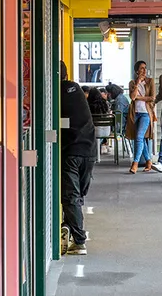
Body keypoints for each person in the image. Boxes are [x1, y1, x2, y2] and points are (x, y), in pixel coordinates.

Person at [59, 61, 96, 256]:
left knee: (70, 197)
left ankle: (79, 240)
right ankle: (69, 228)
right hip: (89, 150)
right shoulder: (78, 90)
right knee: (77, 196)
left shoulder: (55, 93)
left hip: (71, 152)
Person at [126, 61, 156, 174]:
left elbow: (152, 98)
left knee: (139, 137)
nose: (144, 70)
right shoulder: (132, 83)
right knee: (141, 138)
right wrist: (137, 84)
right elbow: (133, 97)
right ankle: (148, 161)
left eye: (145, 68)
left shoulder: (150, 81)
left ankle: (135, 163)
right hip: (135, 113)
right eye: (142, 68)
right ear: (136, 71)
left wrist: (140, 97)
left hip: (145, 113)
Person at [87, 87, 112, 155]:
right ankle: (103, 145)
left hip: (94, 132)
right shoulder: (106, 103)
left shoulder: (88, 105)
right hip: (107, 132)